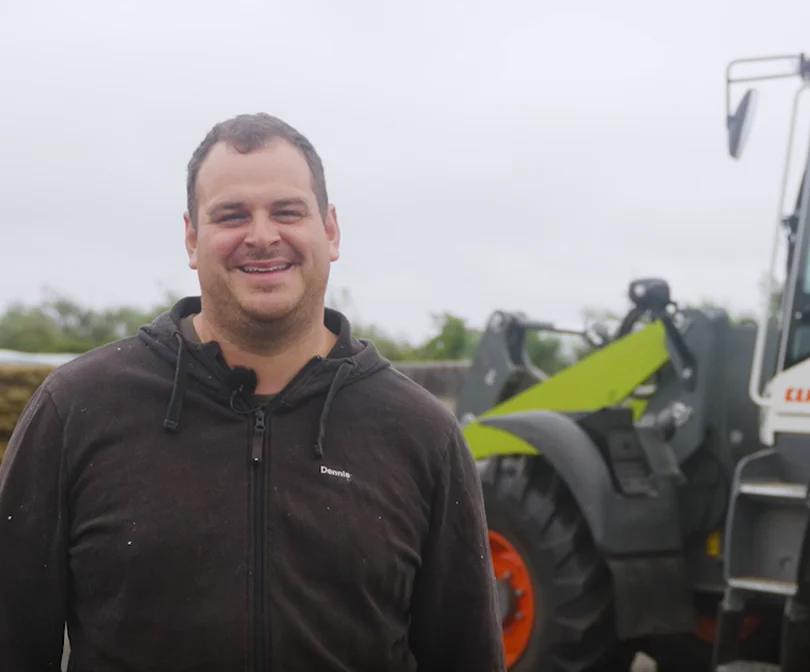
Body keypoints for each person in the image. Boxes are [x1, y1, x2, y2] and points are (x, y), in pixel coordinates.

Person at [0, 113, 505, 671]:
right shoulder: (76, 410)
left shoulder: (421, 434)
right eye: (231, 215)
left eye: (287, 211)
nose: (262, 235)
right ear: (192, 239)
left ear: (330, 230)